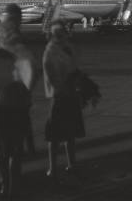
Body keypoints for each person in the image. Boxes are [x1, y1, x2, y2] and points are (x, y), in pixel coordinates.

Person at [0, 4, 37, 155]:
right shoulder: (17, 41)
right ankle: (26, 146)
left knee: (6, 137)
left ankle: (23, 147)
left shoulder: (2, 43)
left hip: (3, 96)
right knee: (21, 120)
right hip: (12, 92)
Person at [43, 20, 85, 180]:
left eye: (62, 33)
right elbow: (51, 75)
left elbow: (74, 69)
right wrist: (62, 87)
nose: (61, 36)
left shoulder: (66, 48)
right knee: (55, 135)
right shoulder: (51, 51)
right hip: (59, 95)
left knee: (70, 133)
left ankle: (71, 164)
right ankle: (53, 167)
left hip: (68, 93)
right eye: (58, 33)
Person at [0, 48, 31, 199]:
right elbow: (30, 76)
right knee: (15, 147)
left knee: (1, 147)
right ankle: (14, 185)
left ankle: (5, 184)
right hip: (15, 105)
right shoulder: (18, 56)